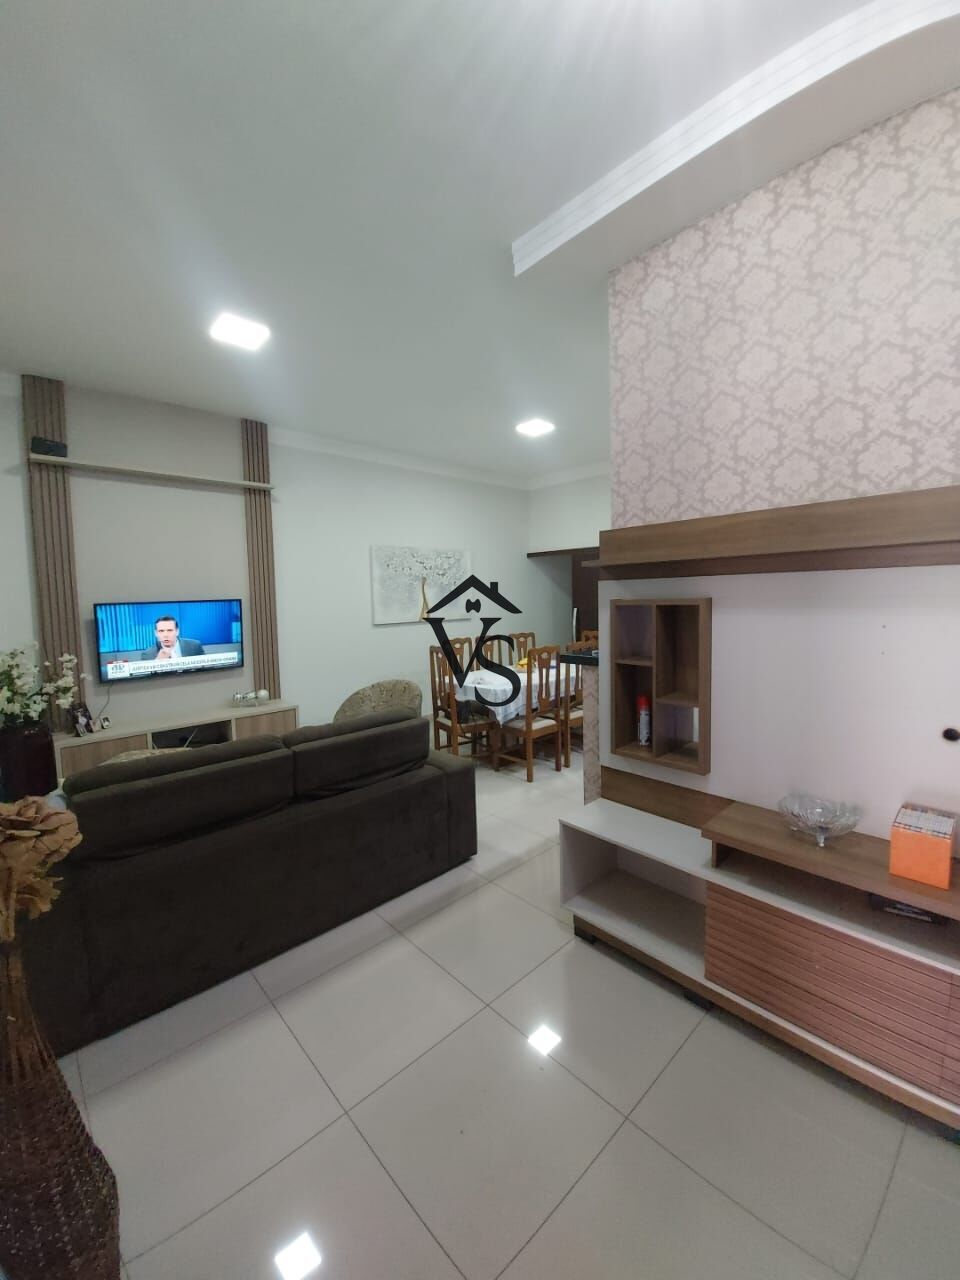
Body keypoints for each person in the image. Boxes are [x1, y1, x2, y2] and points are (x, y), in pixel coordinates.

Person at [140, 616, 205, 662]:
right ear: (156, 633)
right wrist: (156, 664)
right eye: (161, 631)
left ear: (177, 631)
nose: (165, 635)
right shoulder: (148, 655)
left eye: (170, 630)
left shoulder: (194, 646)